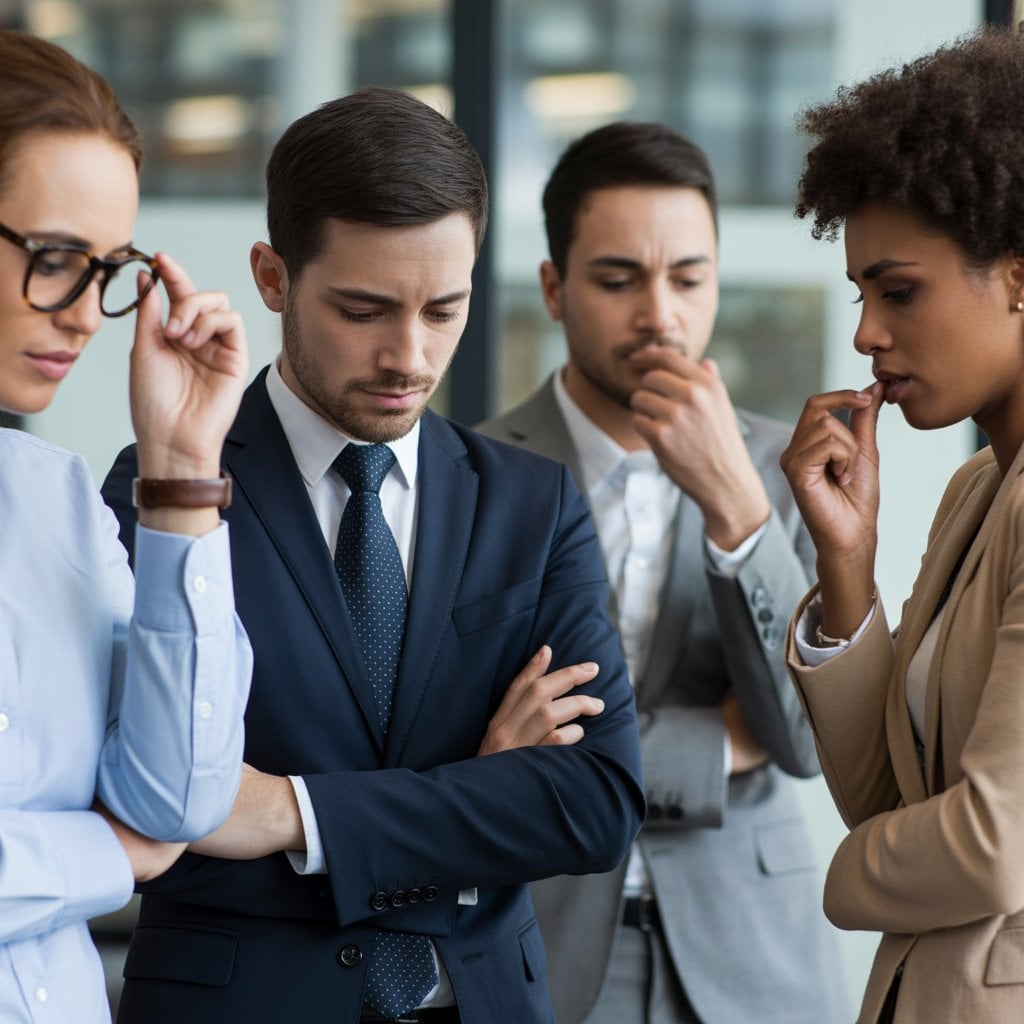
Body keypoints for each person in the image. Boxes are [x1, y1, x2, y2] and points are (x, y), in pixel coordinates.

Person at [101, 87, 644, 1024]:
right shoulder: (163, 489)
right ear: (274, 278)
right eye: (364, 310)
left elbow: (593, 802)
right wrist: (481, 788)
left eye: (445, 308)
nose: (409, 356)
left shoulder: (532, 502)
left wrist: (290, 814)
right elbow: (157, 806)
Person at [478, 122, 846, 1023]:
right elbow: (472, 743)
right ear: (555, 290)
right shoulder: (474, 472)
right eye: (617, 279)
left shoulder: (792, 473)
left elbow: (804, 740)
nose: (660, 316)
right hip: (539, 946)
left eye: (689, 278)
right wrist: (712, 746)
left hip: (753, 959)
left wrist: (735, 507)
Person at [0, 29, 253, 1024]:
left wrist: (183, 469)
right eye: (55, 259)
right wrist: (105, 854)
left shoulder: (56, 498)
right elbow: (138, 838)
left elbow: (176, 799)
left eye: (106, 269)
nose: (81, 314)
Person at [780, 27, 1024, 1024]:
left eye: (899, 290)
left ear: (1016, 275)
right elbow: (891, 800)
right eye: (861, 292)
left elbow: (989, 843)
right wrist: (848, 565)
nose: (865, 333)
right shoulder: (978, 489)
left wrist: (832, 877)